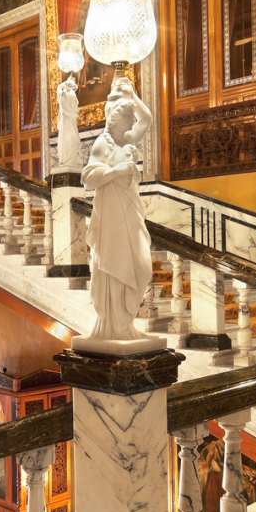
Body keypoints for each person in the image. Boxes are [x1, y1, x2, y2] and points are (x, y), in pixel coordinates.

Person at [81, 76, 155, 342]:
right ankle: (114, 326)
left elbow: (146, 120)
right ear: (114, 120)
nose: (130, 126)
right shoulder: (102, 144)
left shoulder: (126, 139)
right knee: (114, 262)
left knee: (141, 265)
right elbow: (88, 178)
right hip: (110, 214)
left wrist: (133, 96)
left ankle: (126, 323)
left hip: (130, 209)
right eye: (126, 120)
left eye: (130, 121)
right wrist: (117, 171)